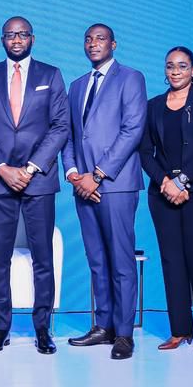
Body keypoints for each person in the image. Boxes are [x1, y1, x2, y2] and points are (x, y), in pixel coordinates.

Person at [0, 17, 69, 355]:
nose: (16, 39)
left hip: (38, 180)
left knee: (43, 258)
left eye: (22, 34)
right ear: (2, 39)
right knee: (0, 259)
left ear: (33, 38)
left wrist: (28, 168)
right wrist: (2, 168)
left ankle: (43, 329)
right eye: (10, 34)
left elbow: (60, 126)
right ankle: (1, 329)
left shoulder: (51, 75)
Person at [62, 23, 147, 360]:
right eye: (87, 39)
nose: (93, 43)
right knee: (97, 260)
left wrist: (96, 176)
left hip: (115, 185)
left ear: (113, 43)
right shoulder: (77, 85)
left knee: (121, 261)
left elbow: (132, 130)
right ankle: (104, 326)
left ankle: (124, 334)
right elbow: (68, 135)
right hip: (82, 185)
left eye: (99, 38)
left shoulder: (131, 78)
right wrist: (73, 174)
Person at [138, 47, 193, 352]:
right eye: (170, 66)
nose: (175, 71)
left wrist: (182, 180)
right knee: (172, 261)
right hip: (162, 194)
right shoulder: (153, 106)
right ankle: (179, 330)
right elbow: (145, 151)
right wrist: (164, 181)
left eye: (182, 66)